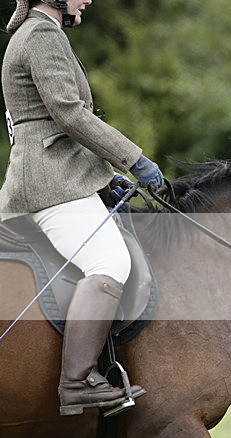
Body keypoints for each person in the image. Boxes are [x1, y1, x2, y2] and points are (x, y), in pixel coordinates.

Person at [1, 0, 163, 415]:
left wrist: (107, 178)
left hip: (60, 177)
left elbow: (54, 127)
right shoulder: (41, 36)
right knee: (110, 262)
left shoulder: (41, 35)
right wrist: (134, 159)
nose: (87, 0)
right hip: (50, 186)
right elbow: (70, 115)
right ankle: (77, 383)